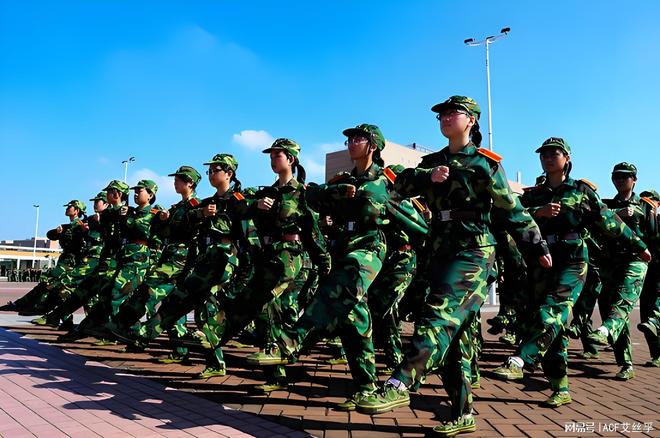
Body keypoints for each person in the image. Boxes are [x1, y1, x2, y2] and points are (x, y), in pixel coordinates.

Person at [354, 96, 550, 438]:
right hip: (440, 252)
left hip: (474, 251)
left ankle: (400, 381)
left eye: (452, 112)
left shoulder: (485, 164)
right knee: (456, 337)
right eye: (441, 114)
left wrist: (537, 246)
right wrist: (427, 176)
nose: (445, 117)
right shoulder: (431, 163)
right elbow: (396, 186)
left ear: (471, 120)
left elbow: (511, 210)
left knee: (439, 316)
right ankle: (462, 413)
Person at [493, 141, 650, 405]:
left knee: (553, 310)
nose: (548, 158)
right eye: (544, 154)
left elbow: (609, 221)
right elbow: (507, 217)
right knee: (552, 325)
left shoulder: (581, 191)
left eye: (554, 153)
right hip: (542, 261)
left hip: (574, 260)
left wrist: (639, 245)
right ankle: (560, 388)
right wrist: (538, 212)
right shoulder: (534, 195)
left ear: (567, 158)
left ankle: (520, 359)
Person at [249, 124, 394, 411]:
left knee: (335, 290)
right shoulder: (344, 180)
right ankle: (366, 388)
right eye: (349, 138)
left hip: (370, 247)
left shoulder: (386, 179)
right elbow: (313, 197)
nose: (351, 143)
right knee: (354, 321)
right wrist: (336, 192)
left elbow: (405, 211)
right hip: (345, 246)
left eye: (359, 138)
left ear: (373, 145)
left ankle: (291, 341)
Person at [585, 163, 654, 379]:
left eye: (625, 177)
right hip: (611, 263)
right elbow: (594, 223)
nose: (620, 180)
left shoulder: (646, 206)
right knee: (609, 307)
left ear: (634, 179)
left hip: (636, 260)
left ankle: (606, 330)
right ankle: (626, 364)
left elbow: (654, 235)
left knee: (624, 300)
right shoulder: (607, 205)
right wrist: (618, 213)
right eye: (616, 177)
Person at [3, 200, 86, 313]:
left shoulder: (81, 225)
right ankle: (27, 305)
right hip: (65, 260)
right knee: (52, 286)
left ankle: (28, 306)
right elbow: (50, 235)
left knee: (52, 284)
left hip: (72, 261)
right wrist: (58, 232)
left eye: (70, 207)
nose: (67, 209)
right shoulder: (66, 226)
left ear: (76, 210)